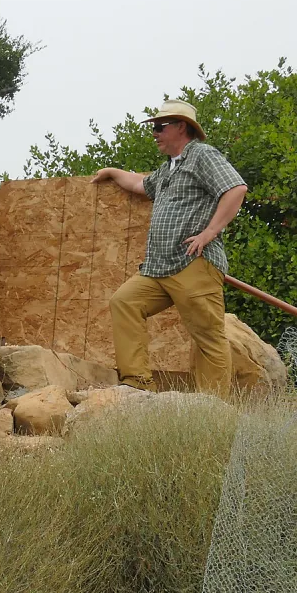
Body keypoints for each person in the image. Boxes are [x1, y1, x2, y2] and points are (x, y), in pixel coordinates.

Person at [93, 99, 248, 397]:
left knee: (208, 337)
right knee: (125, 302)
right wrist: (113, 171)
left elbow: (235, 188)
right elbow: (141, 185)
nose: (155, 132)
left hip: (195, 263)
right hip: (158, 268)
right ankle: (137, 385)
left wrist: (209, 233)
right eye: (154, 126)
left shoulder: (202, 155)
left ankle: (211, 410)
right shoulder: (168, 169)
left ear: (181, 127)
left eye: (160, 126)